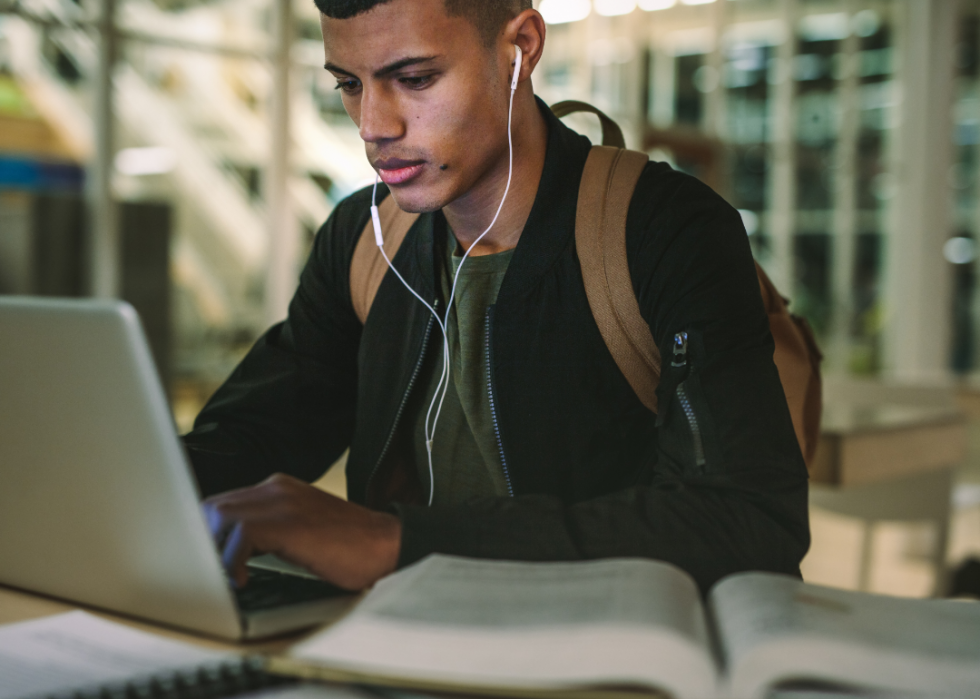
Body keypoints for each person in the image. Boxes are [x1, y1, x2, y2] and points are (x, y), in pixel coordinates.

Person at [187, 0, 809, 595]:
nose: (375, 126)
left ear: (521, 48)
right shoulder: (363, 238)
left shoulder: (664, 229)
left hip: (593, 649)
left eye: (415, 78)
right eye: (348, 84)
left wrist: (402, 542)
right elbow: (251, 434)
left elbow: (749, 519)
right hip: (392, 644)